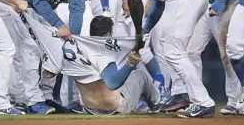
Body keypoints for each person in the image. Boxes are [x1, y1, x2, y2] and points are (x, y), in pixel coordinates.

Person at [121, 0, 216, 118]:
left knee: (173, 51)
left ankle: (203, 102)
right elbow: (158, 4)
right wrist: (146, 30)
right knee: (166, 42)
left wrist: (139, 32)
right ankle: (180, 92)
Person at [19, 13, 160, 115]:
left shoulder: (73, 48)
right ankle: (156, 103)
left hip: (88, 108)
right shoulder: (104, 54)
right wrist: (130, 64)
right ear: (109, 33)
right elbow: (112, 83)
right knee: (140, 75)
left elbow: (48, 74)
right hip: (114, 109)